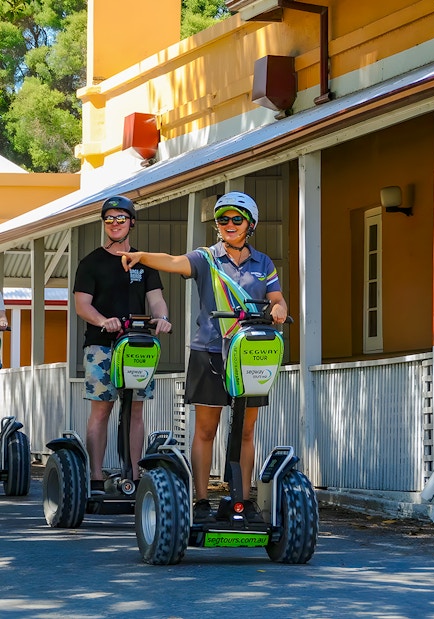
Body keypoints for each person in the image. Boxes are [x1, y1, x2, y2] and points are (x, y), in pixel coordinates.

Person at [119, 191, 287, 522]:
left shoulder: (263, 263)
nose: (228, 225)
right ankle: (201, 501)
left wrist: (280, 308)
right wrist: (142, 256)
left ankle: (241, 499)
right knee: (206, 429)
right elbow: (173, 261)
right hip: (209, 350)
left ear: (249, 224)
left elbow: (277, 298)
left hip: (249, 353)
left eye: (236, 219)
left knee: (247, 430)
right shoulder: (206, 258)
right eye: (222, 219)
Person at [73, 195, 172, 492]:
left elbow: (156, 300)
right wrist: (104, 320)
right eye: (109, 219)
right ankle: (96, 477)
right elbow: (82, 305)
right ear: (104, 224)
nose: (115, 224)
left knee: (137, 409)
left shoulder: (143, 261)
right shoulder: (91, 262)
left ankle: (136, 478)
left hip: (138, 345)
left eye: (121, 218)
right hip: (102, 346)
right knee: (101, 408)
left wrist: (163, 318)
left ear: (132, 222)